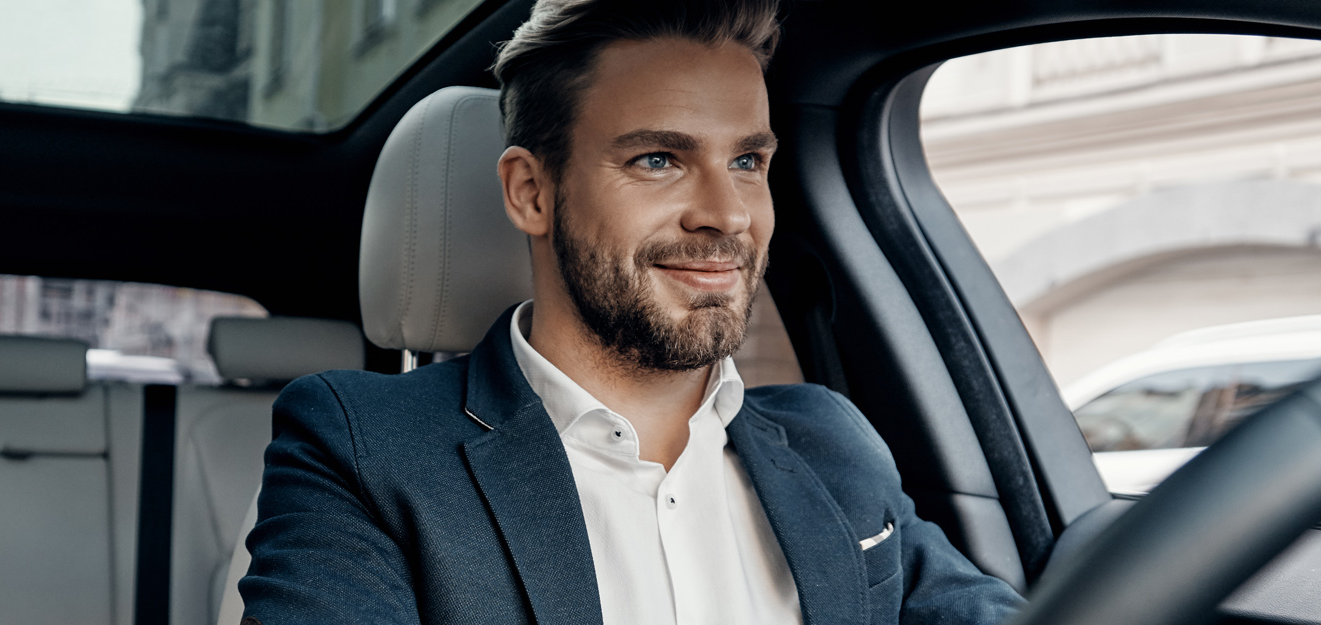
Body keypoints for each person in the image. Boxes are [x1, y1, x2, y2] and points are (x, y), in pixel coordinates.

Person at [238, 1, 1027, 623]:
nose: (728, 213)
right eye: (658, 159)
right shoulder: (363, 448)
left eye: (747, 160)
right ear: (531, 192)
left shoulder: (831, 442)